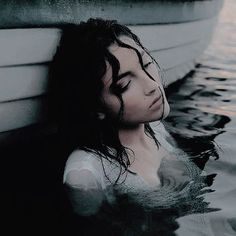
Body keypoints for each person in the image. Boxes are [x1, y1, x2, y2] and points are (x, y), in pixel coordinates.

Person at [48, 18, 216, 234]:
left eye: (147, 64)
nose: (152, 85)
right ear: (94, 106)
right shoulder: (86, 172)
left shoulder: (156, 129)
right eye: (125, 84)